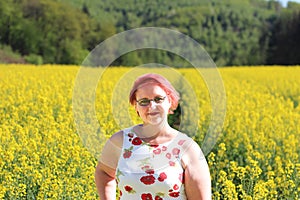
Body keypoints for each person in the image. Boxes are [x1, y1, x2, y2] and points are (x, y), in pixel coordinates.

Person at [95, 73, 211, 200]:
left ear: (170, 101)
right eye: (144, 101)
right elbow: (104, 173)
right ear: (136, 107)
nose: (152, 106)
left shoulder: (187, 148)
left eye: (158, 99)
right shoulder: (121, 141)